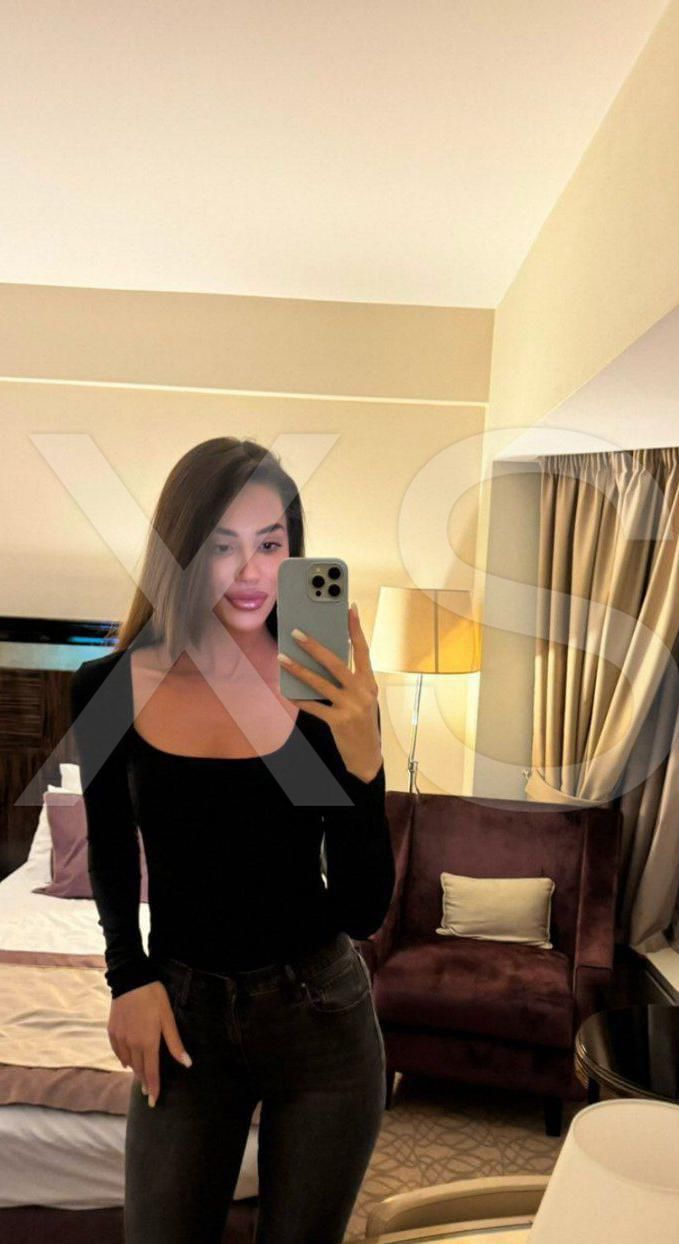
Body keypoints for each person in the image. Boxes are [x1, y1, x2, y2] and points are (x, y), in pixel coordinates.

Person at [69, 436, 395, 1244]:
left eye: (271, 545)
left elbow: (361, 909)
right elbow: (111, 851)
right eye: (221, 546)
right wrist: (127, 977)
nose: (251, 573)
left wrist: (366, 764)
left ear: (295, 552)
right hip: (184, 1017)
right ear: (181, 552)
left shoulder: (322, 693)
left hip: (321, 1015)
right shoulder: (110, 689)